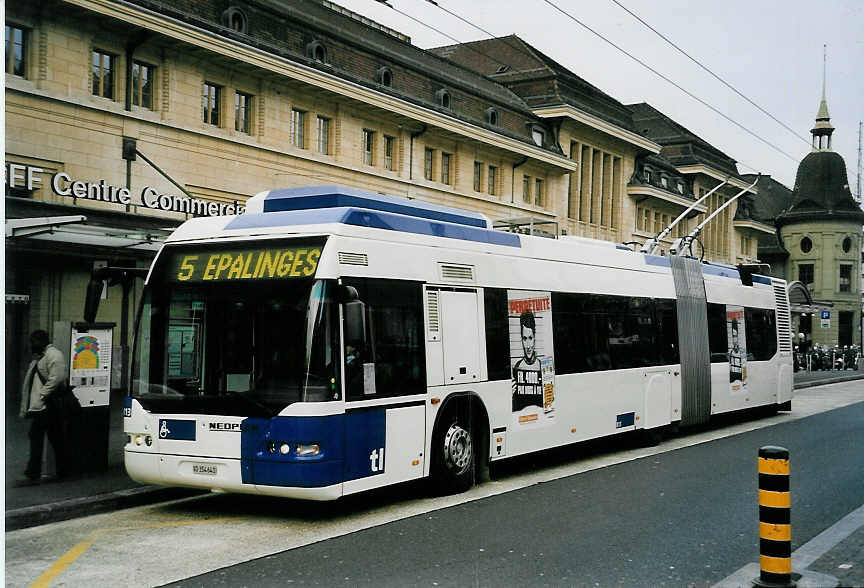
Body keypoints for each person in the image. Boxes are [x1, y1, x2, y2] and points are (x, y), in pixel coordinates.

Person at [17, 330, 69, 485]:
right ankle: (60, 469)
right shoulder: (42, 357)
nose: (31, 345)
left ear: (41, 341)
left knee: (44, 437)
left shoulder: (53, 355)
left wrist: (42, 394)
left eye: (33, 341)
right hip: (43, 405)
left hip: (48, 405)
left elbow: (58, 377)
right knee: (53, 437)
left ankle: (35, 472)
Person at [512, 311, 543, 411]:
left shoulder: (543, 367)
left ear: (534, 338)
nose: (528, 345)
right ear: (521, 340)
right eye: (525, 339)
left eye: (530, 338)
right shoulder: (517, 367)